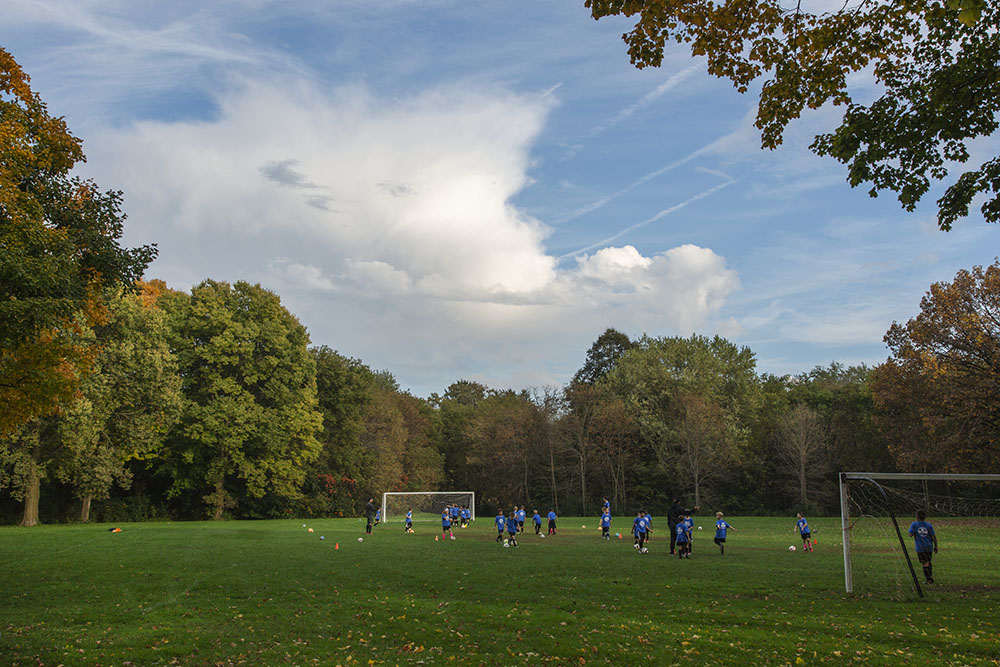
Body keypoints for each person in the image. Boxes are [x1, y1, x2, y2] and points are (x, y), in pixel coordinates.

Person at [909, 509, 938, 584]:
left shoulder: (914, 524)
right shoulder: (928, 525)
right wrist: (936, 546)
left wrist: (915, 532)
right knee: (928, 562)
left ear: (916, 516)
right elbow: (933, 537)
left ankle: (929, 580)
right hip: (929, 547)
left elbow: (910, 535)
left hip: (920, 547)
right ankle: (929, 577)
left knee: (925, 563)